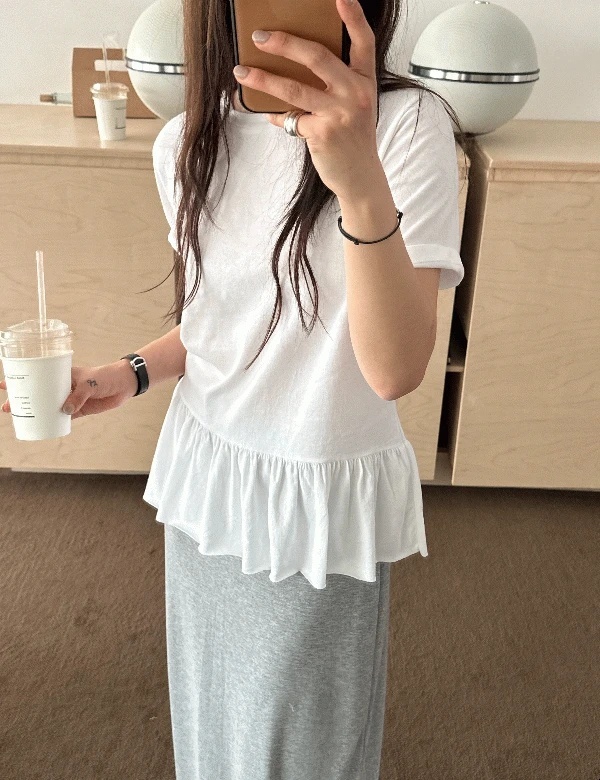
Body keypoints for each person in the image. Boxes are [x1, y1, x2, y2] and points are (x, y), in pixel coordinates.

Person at [1, 0, 466, 777]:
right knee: (212, 728)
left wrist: (358, 179)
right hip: (207, 474)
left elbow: (394, 369)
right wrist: (129, 372)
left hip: (314, 498)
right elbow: (220, 321)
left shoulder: (407, 126)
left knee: (300, 752)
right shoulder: (187, 140)